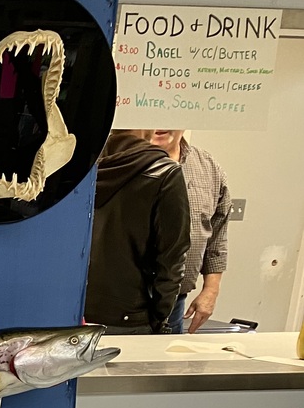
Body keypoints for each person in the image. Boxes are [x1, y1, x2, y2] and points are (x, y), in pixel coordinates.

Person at [84, 128, 190, 334]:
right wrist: (160, 317)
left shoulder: (74, 166)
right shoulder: (165, 173)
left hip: (71, 317)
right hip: (130, 317)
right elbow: (171, 259)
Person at [151, 129, 230, 333]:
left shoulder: (207, 167)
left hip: (176, 303)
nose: (160, 124)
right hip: (119, 306)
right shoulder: (110, 160)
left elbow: (217, 233)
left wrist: (211, 290)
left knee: (163, 365)